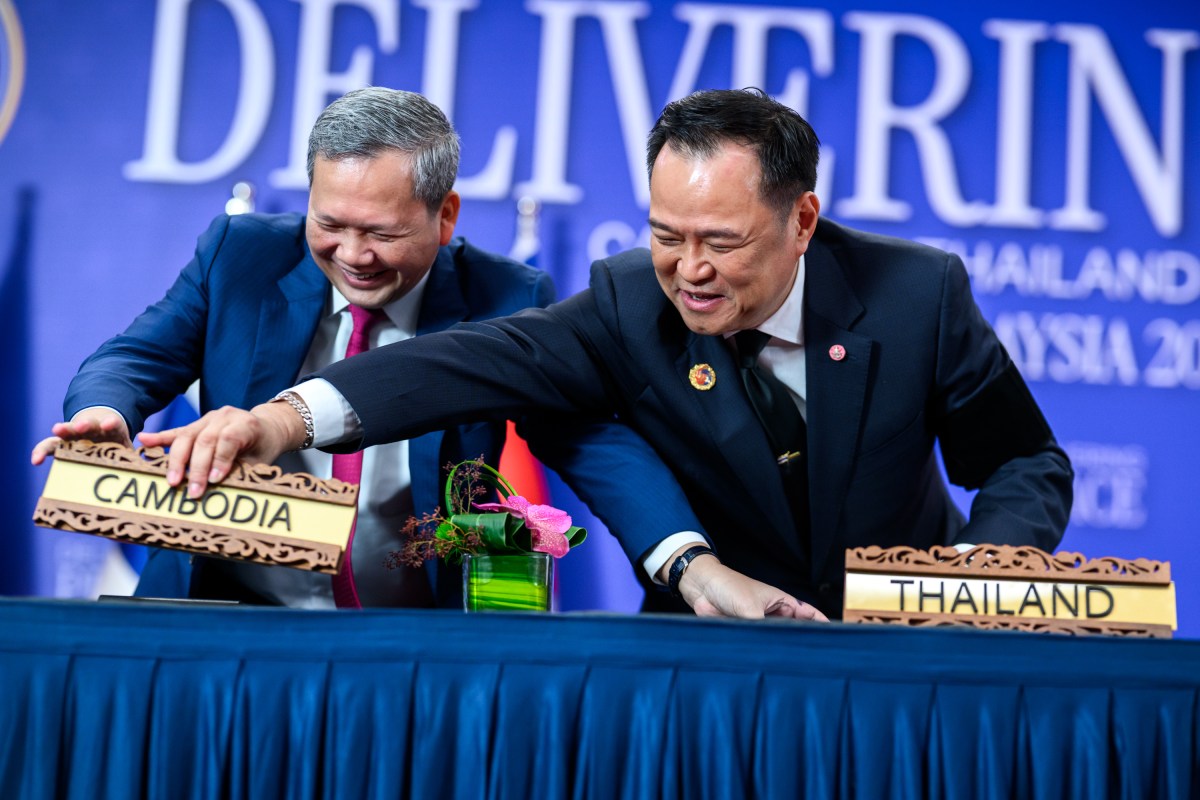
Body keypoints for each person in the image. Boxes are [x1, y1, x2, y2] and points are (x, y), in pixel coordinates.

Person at [126, 88, 1073, 620]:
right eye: (668, 233)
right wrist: (282, 417)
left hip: (903, 644)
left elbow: (1022, 457)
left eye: (722, 242)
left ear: (803, 223)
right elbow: (461, 363)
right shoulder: (628, 295)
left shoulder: (916, 293)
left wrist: (985, 573)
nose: (688, 272)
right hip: (709, 644)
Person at [30, 86, 714, 612]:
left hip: (400, 644)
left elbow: (586, 439)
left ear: (445, 216)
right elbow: (135, 358)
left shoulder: (506, 296)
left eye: (381, 233)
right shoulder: (241, 255)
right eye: (329, 224)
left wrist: (688, 561)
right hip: (220, 616)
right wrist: (106, 411)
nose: (352, 256)